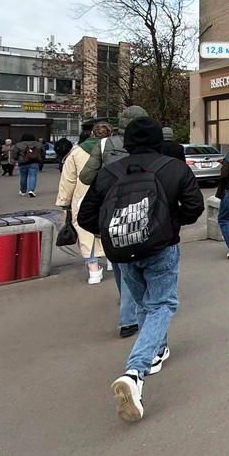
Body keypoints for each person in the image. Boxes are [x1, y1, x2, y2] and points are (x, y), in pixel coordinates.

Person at [78, 116, 204, 422]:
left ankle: (158, 350)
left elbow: (86, 217)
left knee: (145, 305)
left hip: (123, 252)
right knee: (162, 304)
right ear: (159, 139)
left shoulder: (110, 172)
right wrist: (168, 224)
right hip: (161, 248)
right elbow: (194, 208)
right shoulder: (174, 168)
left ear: (127, 142)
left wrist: (114, 233)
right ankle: (135, 372)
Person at [84, 116, 146, 337]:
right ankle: (130, 315)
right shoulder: (146, 145)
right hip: (140, 206)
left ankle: (128, 310)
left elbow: (85, 177)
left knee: (121, 261)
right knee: (136, 258)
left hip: (111, 208)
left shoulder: (104, 146)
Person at [56, 131, 105, 284]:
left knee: (85, 233)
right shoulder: (113, 149)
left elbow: (68, 180)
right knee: (109, 226)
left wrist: (64, 202)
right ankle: (112, 262)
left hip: (82, 196)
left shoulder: (75, 153)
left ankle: (94, 271)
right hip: (107, 193)